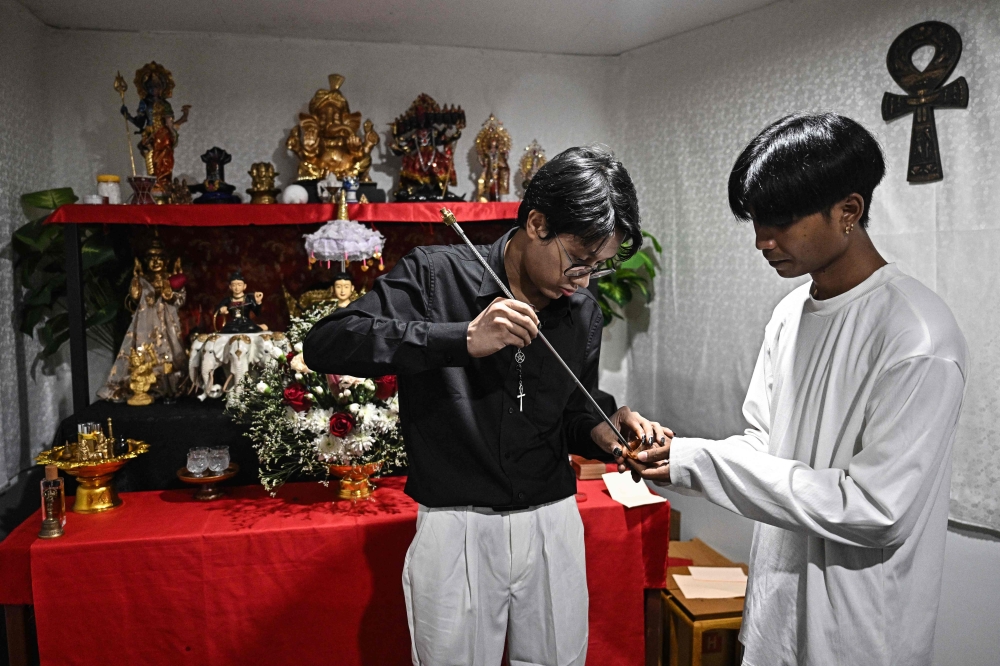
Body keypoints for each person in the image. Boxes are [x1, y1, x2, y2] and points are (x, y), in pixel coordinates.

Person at [304, 146, 669, 666]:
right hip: (458, 521)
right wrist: (461, 338)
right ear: (537, 222)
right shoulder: (436, 274)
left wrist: (608, 431)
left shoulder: (582, 312)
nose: (584, 280)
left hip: (551, 519)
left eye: (599, 267)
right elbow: (327, 343)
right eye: (579, 260)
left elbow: (571, 412)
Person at [630, 113, 968, 666]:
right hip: (775, 615)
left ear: (848, 212)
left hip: (860, 633)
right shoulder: (791, 314)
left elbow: (876, 509)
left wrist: (706, 462)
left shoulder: (918, 335)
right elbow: (763, 445)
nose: (763, 240)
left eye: (782, 221)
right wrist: (682, 459)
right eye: (757, 222)